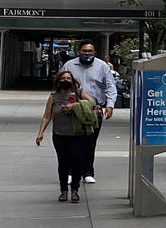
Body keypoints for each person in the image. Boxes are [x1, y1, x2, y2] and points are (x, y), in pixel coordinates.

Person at [58, 40, 118, 184]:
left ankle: (87, 172)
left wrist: (110, 105)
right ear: (79, 52)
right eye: (84, 51)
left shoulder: (102, 66)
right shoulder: (69, 66)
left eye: (90, 51)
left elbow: (110, 86)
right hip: (72, 109)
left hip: (93, 110)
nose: (87, 54)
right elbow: (60, 84)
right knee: (71, 142)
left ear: (94, 53)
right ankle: (70, 172)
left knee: (89, 143)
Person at [36, 70, 96, 202]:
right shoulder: (54, 97)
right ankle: (63, 190)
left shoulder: (79, 93)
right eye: (63, 79)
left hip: (78, 135)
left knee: (76, 160)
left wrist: (74, 106)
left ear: (73, 81)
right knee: (63, 162)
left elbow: (92, 103)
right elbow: (47, 116)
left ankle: (75, 190)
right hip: (60, 135)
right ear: (58, 82)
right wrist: (41, 133)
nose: (66, 81)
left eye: (68, 78)